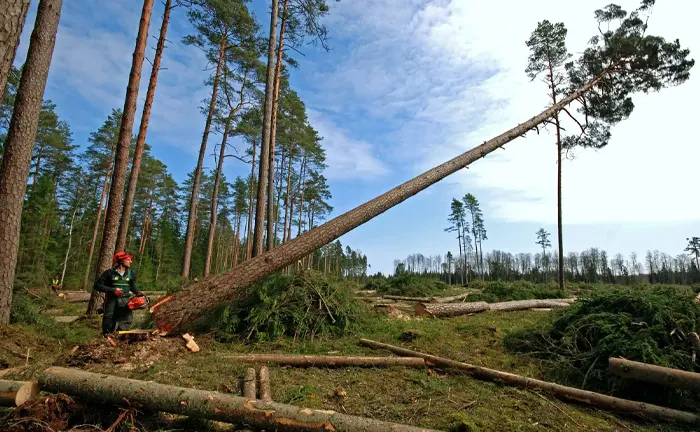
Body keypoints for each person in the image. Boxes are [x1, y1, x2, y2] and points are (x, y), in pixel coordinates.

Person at [94, 251, 144, 336]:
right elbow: (97, 285)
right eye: (128, 259)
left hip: (125, 300)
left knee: (126, 319)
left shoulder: (131, 273)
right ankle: (107, 337)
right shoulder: (109, 273)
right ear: (121, 261)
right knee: (109, 318)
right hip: (111, 300)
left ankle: (121, 337)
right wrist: (112, 290)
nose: (130, 261)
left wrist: (138, 293)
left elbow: (132, 286)